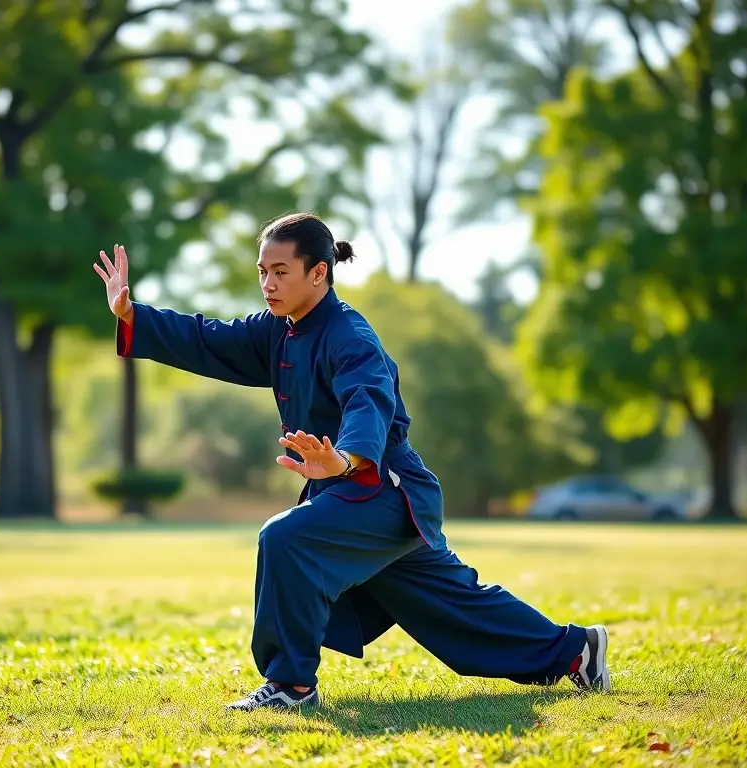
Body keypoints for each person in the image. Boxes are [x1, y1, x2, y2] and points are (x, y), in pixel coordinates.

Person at [92, 212, 611, 712]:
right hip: (354, 494)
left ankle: (289, 685)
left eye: (280, 272)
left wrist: (343, 460)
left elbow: (369, 399)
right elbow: (208, 338)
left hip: (383, 490)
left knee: (285, 538)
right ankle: (575, 651)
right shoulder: (278, 329)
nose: (267, 284)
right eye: (263, 273)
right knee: (451, 604)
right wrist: (133, 315)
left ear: (319, 273)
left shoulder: (349, 335)